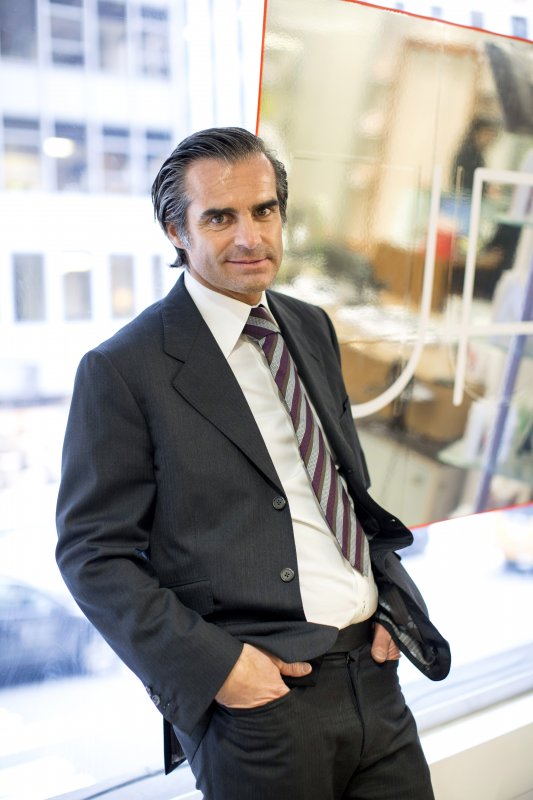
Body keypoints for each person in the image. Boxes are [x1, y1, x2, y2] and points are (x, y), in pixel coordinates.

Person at [56, 127, 451, 800]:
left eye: (264, 210)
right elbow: (92, 555)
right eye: (220, 218)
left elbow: (342, 492)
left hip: (374, 678)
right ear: (176, 232)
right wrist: (219, 670)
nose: (250, 237)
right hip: (263, 709)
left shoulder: (309, 325)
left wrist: (389, 602)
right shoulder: (123, 369)